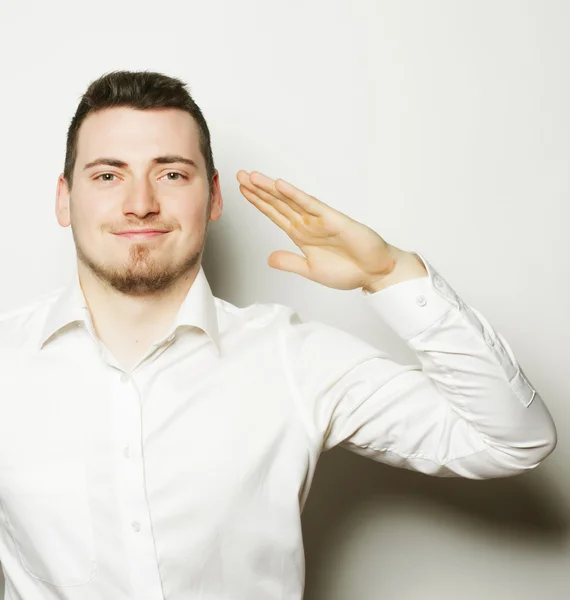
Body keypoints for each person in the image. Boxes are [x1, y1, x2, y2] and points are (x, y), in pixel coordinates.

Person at [0, 69, 556, 600]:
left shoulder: (292, 358)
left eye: (171, 173)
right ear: (63, 198)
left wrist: (389, 275)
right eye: (107, 175)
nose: (140, 202)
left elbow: (514, 441)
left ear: (213, 197)